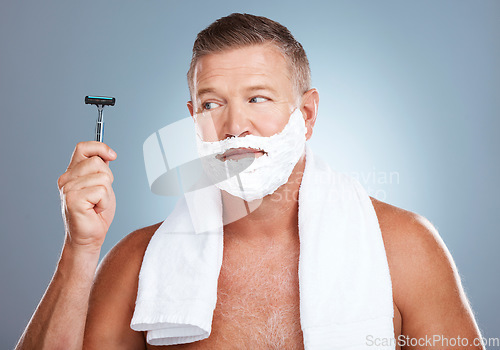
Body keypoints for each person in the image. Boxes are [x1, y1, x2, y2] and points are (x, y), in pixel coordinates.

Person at [16, 13, 484, 350]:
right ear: (193, 121)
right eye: (211, 104)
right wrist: (81, 249)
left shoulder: (402, 248)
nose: (234, 124)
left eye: (257, 98)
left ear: (306, 114)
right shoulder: (138, 265)